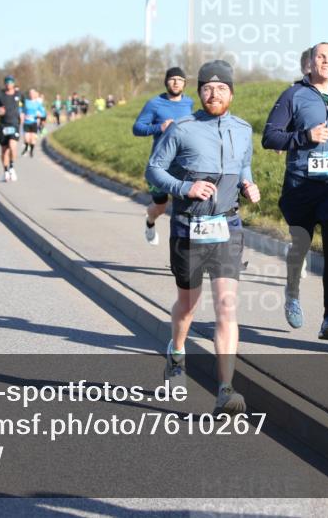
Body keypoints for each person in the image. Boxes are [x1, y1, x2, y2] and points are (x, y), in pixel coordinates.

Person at [146, 60, 261, 414]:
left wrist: (247, 183)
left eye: (221, 88)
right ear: (199, 93)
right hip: (188, 228)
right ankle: (177, 353)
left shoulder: (243, 129)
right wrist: (185, 186)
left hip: (227, 226)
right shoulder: (182, 128)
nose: (214, 94)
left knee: (227, 307)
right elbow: (154, 168)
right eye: (208, 89)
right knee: (188, 306)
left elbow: (243, 164)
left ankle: (226, 389)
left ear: (231, 92)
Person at [261, 42, 328, 339]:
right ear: (309, 63)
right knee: (301, 244)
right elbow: (270, 137)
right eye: (321, 56)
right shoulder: (293, 95)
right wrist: (305, 136)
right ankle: (292, 293)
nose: (326, 61)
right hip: (300, 185)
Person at [133, 67, 195, 245]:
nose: (176, 82)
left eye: (180, 79)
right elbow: (137, 128)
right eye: (172, 79)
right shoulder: (154, 104)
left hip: (183, 164)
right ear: (166, 81)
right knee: (160, 207)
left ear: (185, 83)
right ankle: (149, 222)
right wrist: (158, 128)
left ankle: (182, 252)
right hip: (160, 165)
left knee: (184, 208)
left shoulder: (189, 103)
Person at [0, 75, 23, 182]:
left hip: (14, 124)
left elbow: (23, 105)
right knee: (4, 151)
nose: (9, 84)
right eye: (7, 82)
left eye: (11, 82)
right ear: (4, 83)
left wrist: (22, 113)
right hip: (3, 125)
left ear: (14, 83)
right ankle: (5, 172)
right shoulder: (0, 95)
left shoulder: (19, 94)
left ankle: (12, 168)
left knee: (13, 146)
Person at [21, 89, 47, 158]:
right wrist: (22, 115)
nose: (31, 95)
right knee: (26, 138)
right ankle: (26, 148)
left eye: (33, 93)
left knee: (32, 139)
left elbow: (43, 112)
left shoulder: (37, 103)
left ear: (35, 95)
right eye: (30, 93)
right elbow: (21, 109)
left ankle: (31, 151)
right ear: (29, 94)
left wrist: (40, 115)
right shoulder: (26, 102)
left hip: (34, 122)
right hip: (26, 122)